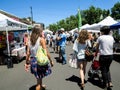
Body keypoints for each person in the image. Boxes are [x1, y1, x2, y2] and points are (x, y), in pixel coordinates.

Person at [25, 25, 54, 90]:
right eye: (41, 31)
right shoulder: (41, 40)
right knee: (39, 80)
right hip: (39, 61)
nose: (42, 32)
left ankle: (40, 85)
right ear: (39, 32)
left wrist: (26, 62)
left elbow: (28, 53)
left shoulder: (29, 40)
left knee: (38, 77)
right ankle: (39, 86)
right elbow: (46, 52)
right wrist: (51, 60)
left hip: (33, 61)